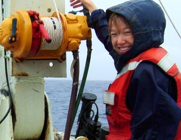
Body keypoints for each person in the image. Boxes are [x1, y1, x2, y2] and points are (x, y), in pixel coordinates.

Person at [70, 0, 181, 139]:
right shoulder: (132, 55)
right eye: (114, 34)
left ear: (143, 33)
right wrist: (92, 9)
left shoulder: (148, 73)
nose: (119, 41)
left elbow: (155, 131)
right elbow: (107, 38)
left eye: (127, 33)